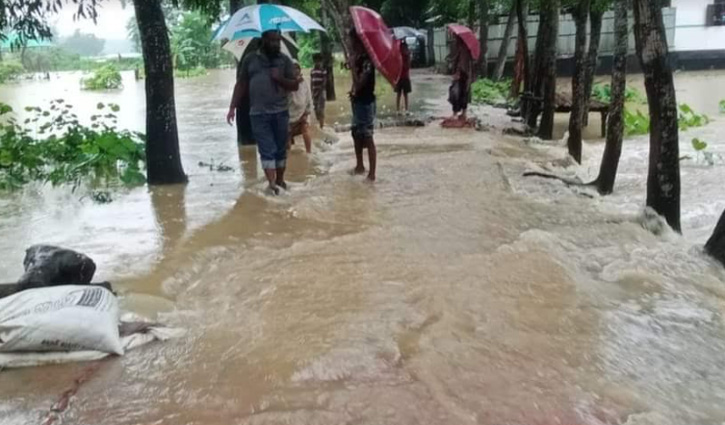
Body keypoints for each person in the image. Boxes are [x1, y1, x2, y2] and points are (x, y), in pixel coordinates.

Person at [227, 30, 301, 195]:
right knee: (266, 149)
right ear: (264, 40)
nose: (276, 44)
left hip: (281, 112)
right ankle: (272, 184)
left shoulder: (285, 61)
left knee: (280, 150)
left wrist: (280, 79)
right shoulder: (250, 60)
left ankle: (280, 180)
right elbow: (241, 84)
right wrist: (233, 107)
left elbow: (295, 85)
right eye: (272, 40)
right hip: (258, 114)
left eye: (278, 40)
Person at [348, 28, 377, 182]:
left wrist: (352, 67)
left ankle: (372, 174)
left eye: (352, 41)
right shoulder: (359, 58)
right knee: (355, 133)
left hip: (365, 103)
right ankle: (360, 165)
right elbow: (355, 85)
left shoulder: (367, 61)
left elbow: (360, 83)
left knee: (367, 136)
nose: (350, 45)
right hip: (358, 102)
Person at [288, 61, 314, 154]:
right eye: (293, 68)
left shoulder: (304, 83)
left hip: (302, 112)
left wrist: (306, 112)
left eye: (297, 68)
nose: (295, 70)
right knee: (287, 135)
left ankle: (309, 152)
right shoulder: (287, 83)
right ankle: (289, 156)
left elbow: (308, 98)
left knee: (305, 129)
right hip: (289, 114)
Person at [449, 35, 474, 122]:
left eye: (456, 39)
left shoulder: (465, 50)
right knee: (460, 93)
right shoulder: (460, 49)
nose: (455, 40)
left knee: (458, 94)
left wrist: (458, 73)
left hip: (463, 75)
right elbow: (456, 61)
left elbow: (463, 64)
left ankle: (459, 113)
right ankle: (461, 113)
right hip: (463, 75)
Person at [310, 53, 327, 129]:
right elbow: (311, 82)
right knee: (316, 109)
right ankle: (320, 121)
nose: (317, 63)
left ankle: (322, 126)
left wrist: (319, 92)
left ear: (321, 61)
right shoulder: (312, 71)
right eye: (315, 61)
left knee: (320, 108)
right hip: (314, 91)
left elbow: (324, 83)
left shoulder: (323, 71)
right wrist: (312, 92)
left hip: (321, 92)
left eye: (319, 61)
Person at [395, 40, 412, 114]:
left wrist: (406, 58)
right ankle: (399, 109)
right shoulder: (399, 55)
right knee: (400, 94)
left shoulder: (406, 56)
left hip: (404, 77)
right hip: (400, 77)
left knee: (404, 94)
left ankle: (405, 109)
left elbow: (407, 66)